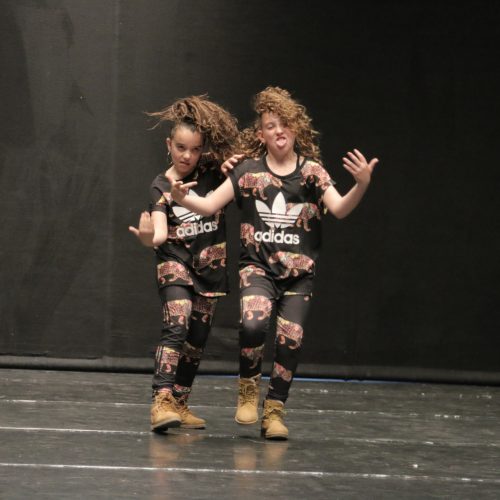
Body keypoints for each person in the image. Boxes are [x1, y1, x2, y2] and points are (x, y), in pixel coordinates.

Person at [168, 86, 379, 440]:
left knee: (290, 340)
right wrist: (182, 198)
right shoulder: (248, 172)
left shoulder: (312, 173)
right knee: (253, 323)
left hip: (299, 275)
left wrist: (361, 185)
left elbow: (340, 208)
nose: (279, 130)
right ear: (260, 134)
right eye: (270, 125)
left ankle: (275, 410)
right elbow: (209, 205)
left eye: (284, 123)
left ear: (297, 127)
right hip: (258, 268)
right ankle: (248, 388)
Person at [129, 95, 239, 433]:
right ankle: (161, 400)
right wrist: (147, 237)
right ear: (169, 145)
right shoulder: (160, 186)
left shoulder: (213, 171)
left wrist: (231, 164)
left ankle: (180, 401)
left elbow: (239, 166)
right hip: (174, 264)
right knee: (177, 323)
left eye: (194, 149)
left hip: (210, 269)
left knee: (197, 339)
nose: (187, 155)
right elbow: (160, 235)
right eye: (180, 148)